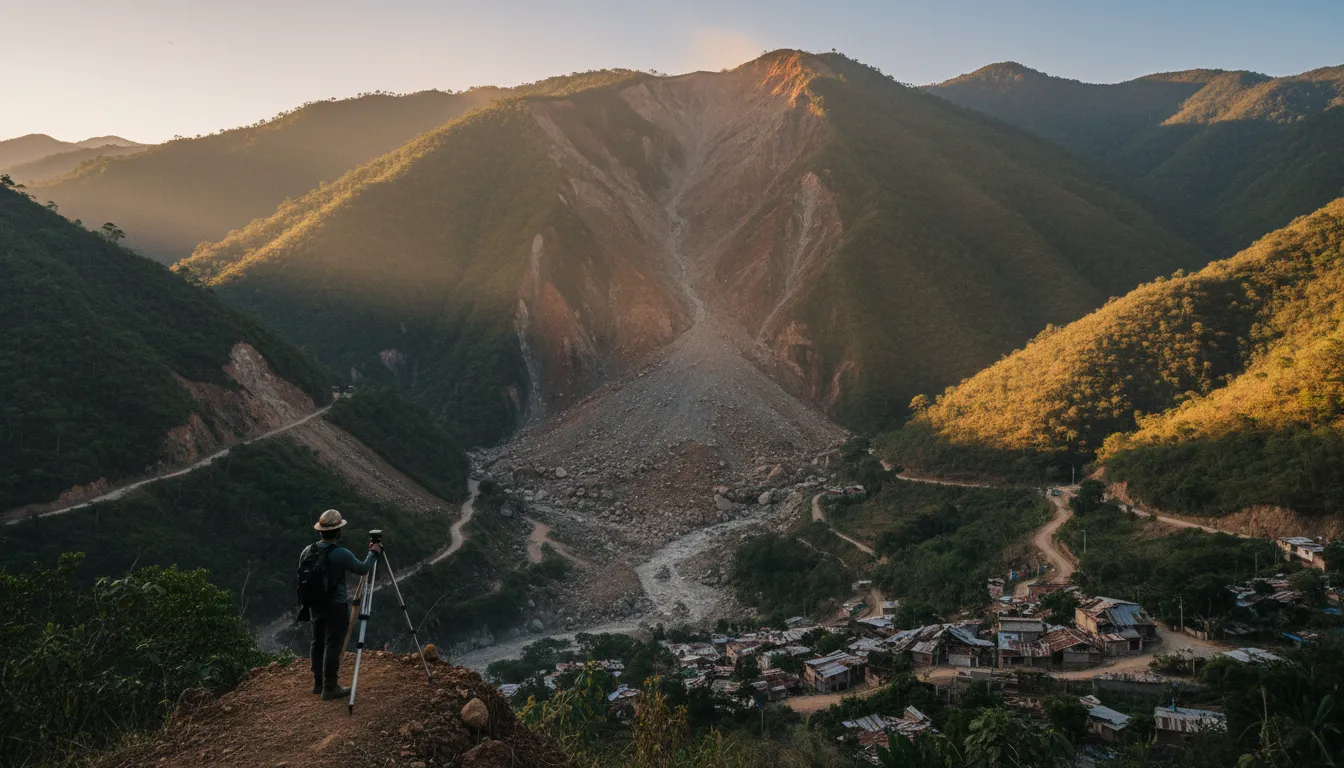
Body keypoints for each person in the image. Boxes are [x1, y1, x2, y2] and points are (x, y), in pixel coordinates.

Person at [301, 509, 381, 700]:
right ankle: (330, 687)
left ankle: (318, 684)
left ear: (321, 531)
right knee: (332, 645)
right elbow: (362, 569)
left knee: (317, 643)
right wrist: (374, 553)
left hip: (313, 604)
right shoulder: (340, 553)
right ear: (338, 532)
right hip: (335, 606)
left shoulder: (307, 550)